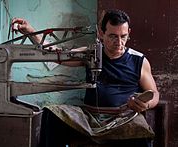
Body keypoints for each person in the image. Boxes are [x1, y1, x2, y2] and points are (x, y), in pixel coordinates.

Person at [12, 9, 159, 147]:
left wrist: (145, 104)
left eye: (123, 36)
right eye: (113, 36)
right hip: (89, 118)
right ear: (101, 33)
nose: (119, 42)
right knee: (51, 115)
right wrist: (31, 32)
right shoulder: (91, 53)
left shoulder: (139, 60)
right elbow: (57, 55)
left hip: (122, 119)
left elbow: (155, 94)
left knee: (141, 133)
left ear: (129, 33)